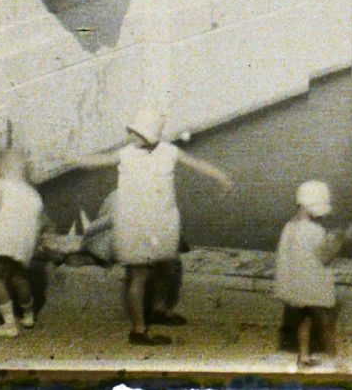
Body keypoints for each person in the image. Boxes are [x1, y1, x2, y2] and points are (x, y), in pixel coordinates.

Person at [68, 105, 232, 347]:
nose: (132, 136)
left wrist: (220, 177)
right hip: (135, 223)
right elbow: (98, 161)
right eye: (133, 131)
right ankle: (139, 329)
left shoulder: (169, 151)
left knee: (166, 265)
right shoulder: (126, 153)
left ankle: (158, 309)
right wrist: (74, 158)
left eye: (138, 132)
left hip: (162, 221)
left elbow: (196, 164)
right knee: (139, 274)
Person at [276, 181, 352, 370]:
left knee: (305, 319)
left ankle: (303, 356)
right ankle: (336, 361)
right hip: (315, 285)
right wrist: (342, 238)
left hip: (296, 284)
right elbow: (326, 256)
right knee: (327, 323)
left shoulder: (289, 227)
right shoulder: (315, 230)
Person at [0, 148, 43, 338]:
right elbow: (37, 223)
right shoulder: (33, 194)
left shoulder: (1, 185)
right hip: (24, 241)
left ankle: (9, 324)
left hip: (1, 237)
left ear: (3, 167)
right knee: (19, 277)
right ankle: (28, 315)